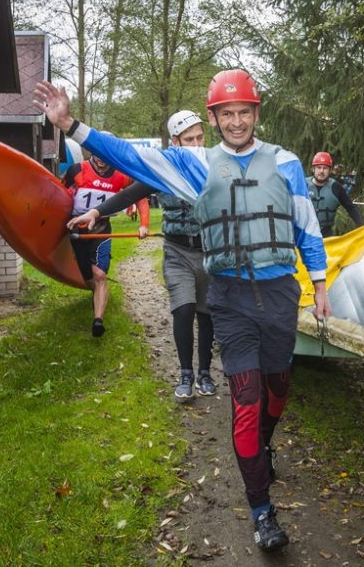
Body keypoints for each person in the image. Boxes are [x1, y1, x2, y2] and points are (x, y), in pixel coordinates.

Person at [35, 69, 330, 553]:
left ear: (257, 113)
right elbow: (128, 156)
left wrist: (318, 282)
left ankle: (265, 445)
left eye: (244, 112)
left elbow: (306, 224)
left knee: (278, 388)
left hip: (279, 292)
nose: (236, 121)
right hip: (230, 296)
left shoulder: (287, 163)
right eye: (226, 113)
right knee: (247, 399)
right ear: (214, 119)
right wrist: (71, 125)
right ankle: (261, 510)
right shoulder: (195, 165)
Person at [68, 110, 216, 401]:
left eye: (200, 137)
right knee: (184, 309)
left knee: (206, 314)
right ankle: (186, 374)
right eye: (189, 139)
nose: (197, 144)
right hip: (177, 251)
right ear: (175, 142)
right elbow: (128, 194)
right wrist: (95, 212)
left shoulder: (213, 165)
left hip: (208, 251)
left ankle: (205, 372)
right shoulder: (163, 169)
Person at [63, 149, 150, 337]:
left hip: (101, 229)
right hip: (78, 229)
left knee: (100, 274)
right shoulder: (77, 169)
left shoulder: (122, 175)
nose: (102, 161)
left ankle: (98, 321)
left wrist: (144, 225)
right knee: (89, 279)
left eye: (106, 156)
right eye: (98, 155)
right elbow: (60, 193)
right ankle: (97, 294)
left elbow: (140, 197)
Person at [307, 151, 363, 237]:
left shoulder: (336, 187)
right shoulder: (302, 185)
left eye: (325, 168)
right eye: (318, 167)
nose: (321, 171)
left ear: (330, 170)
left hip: (326, 237)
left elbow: (351, 208)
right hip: (304, 235)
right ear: (313, 169)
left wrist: (362, 227)